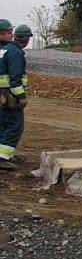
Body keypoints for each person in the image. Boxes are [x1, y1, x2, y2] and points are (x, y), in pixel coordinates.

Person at [0, 22, 32, 171]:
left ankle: (4, 154)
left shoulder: (4, 50)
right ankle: (3, 158)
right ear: (25, 39)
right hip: (9, 96)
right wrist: (21, 96)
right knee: (14, 125)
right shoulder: (15, 53)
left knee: (3, 124)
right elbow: (15, 78)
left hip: (2, 94)